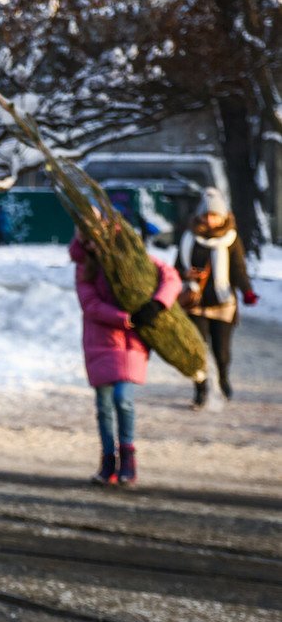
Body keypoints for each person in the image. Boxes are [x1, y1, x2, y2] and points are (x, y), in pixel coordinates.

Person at [69, 232, 180, 487]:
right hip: (100, 342)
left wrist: (157, 304)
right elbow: (90, 304)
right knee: (104, 406)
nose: (95, 242)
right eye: (89, 239)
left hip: (131, 343)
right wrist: (125, 318)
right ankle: (108, 459)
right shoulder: (85, 268)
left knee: (123, 399)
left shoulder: (135, 260)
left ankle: (128, 456)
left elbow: (170, 277)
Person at [174, 188, 258, 407]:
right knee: (197, 349)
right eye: (207, 215)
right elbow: (176, 267)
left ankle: (223, 379)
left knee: (221, 351)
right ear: (200, 215)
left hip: (223, 303)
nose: (210, 220)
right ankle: (200, 390)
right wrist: (185, 274)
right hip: (195, 302)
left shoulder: (231, 239)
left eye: (215, 215)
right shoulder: (189, 237)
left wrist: (247, 290)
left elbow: (238, 269)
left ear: (223, 216)